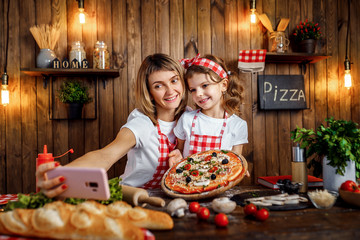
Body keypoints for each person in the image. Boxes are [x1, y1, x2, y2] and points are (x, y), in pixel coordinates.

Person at [36, 53, 187, 197]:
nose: (170, 91)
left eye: (174, 80)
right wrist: (62, 175)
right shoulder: (142, 123)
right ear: (149, 93)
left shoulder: (190, 118)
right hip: (131, 198)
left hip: (171, 198)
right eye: (158, 86)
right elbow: (105, 155)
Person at [170, 54, 248, 167]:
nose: (199, 94)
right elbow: (180, 150)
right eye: (193, 90)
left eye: (205, 85)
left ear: (224, 85)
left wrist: (240, 167)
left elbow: (235, 162)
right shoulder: (187, 119)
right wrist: (177, 155)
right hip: (188, 182)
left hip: (221, 183)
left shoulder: (237, 125)